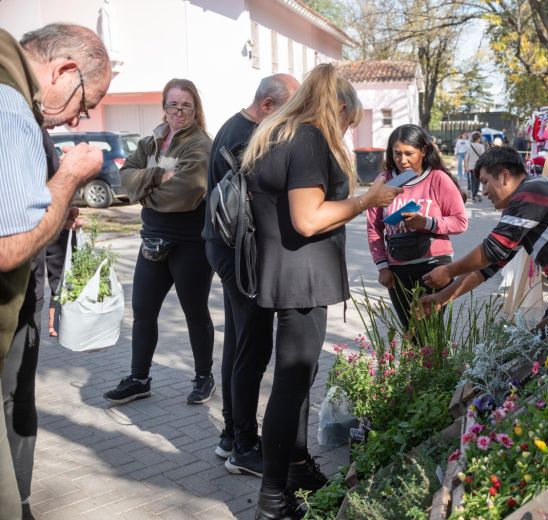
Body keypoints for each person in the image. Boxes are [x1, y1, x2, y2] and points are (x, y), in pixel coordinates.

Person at [241, 63, 400, 519]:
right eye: (348, 123)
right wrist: (367, 199)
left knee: (298, 382)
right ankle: (273, 501)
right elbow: (308, 218)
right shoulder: (308, 138)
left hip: (284, 272)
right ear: (340, 109)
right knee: (290, 387)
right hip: (301, 277)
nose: (347, 134)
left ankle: (293, 469)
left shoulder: (276, 133)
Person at [0, 24, 110, 519]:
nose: (77, 120)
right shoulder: (10, 107)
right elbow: (7, 247)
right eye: (85, 106)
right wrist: (68, 179)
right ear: (64, 71)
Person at [201, 74, 316, 489]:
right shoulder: (246, 135)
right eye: (287, 109)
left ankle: (231, 435)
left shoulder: (237, 126)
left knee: (239, 342)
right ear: (268, 105)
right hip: (238, 252)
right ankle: (244, 447)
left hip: (226, 247)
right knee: (253, 347)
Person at [104, 79, 215, 406]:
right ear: (164, 107)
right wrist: (156, 177)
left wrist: (144, 186)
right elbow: (126, 178)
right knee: (142, 308)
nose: (178, 112)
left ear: (195, 109)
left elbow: (182, 195)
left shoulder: (200, 145)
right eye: (172, 105)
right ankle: (139, 379)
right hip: (152, 238)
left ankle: (204, 377)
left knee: (194, 311)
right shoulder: (153, 139)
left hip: (189, 243)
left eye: (185, 106)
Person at [420, 146, 548, 317]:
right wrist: (441, 298)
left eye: (485, 182)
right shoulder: (525, 199)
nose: (484, 191)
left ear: (505, 175)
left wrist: (449, 271)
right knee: (544, 343)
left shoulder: (531, 192)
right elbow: (488, 266)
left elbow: (491, 250)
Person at [366, 124, 468, 330]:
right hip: (397, 271)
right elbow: (373, 228)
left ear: (424, 151)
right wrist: (382, 266)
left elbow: (460, 222)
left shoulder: (438, 179)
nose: (402, 160)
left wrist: (426, 222)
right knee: (411, 332)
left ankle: (438, 364)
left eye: (409, 153)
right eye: (397, 153)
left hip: (434, 267)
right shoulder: (383, 181)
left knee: (432, 333)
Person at [464, 131, 485, 201]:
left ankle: (473, 195)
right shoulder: (481, 146)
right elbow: (483, 157)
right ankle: (476, 194)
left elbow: (466, 158)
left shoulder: (469, 146)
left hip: (471, 166)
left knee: (473, 180)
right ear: (478, 139)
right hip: (478, 166)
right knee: (478, 180)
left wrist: (466, 167)